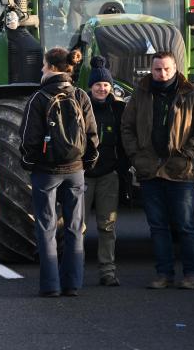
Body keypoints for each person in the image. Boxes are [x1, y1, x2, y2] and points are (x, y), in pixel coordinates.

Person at [121, 51, 194, 290]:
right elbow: (127, 127)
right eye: (157, 69)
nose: (161, 74)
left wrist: (187, 154)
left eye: (166, 69)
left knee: (185, 225)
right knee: (158, 226)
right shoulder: (140, 95)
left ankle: (191, 274)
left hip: (180, 171)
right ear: (151, 70)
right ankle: (164, 274)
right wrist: (136, 156)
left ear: (175, 69)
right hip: (150, 170)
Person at [19, 48, 98, 297]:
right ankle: (72, 284)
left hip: (46, 172)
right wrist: (86, 163)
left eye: (43, 65)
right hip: (76, 170)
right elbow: (93, 136)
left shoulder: (39, 98)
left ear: (52, 68)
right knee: (75, 227)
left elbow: (27, 140)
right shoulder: (81, 96)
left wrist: (31, 164)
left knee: (46, 227)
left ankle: (50, 285)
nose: (41, 69)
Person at [84, 56, 127, 287]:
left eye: (106, 85)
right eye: (98, 85)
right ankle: (73, 271)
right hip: (83, 176)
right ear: (90, 86)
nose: (102, 88)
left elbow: (127, 140)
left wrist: (122, 168)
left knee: (107, 226)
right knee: (76, 226)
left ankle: (107, 272)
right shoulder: (80, 107)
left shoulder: (119, 109)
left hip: (108, 175)